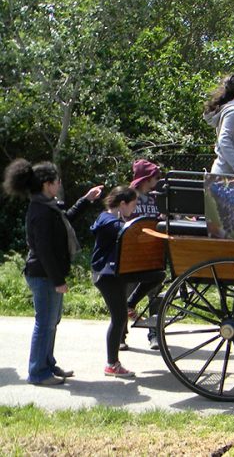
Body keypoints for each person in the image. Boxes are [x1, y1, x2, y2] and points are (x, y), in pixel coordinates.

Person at [3, 159, 103, 386]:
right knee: (45, 322)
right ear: (47, 184)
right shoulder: (41, 211)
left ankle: (47, 363)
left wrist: (86, 200)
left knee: (51, 321)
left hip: (47, 274)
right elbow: (44, 250)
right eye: (57, 181)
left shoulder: (47, 206)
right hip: (43, 274)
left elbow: (65, 218)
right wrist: (58, 280)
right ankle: (38, 372)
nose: (59, 184)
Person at [90, 186, 140, 378]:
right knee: (118, 319)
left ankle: (130, 304)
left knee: (156, 276)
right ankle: (112, 364)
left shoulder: (113, 219)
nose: (133, 209)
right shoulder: (109, 221)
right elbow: (125, 232)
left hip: (115, 274)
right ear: (122, 204)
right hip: (106, 276)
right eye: (133, 205)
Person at [122, 159, 167, 350]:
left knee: (154, 295)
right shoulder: (128, 197)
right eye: (155, 177)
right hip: (132, 254)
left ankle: (155, 334)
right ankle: (120, 336)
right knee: (125, 296)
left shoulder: (158, 197)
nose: (158, 180)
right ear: (146, 179)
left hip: (152, 252)